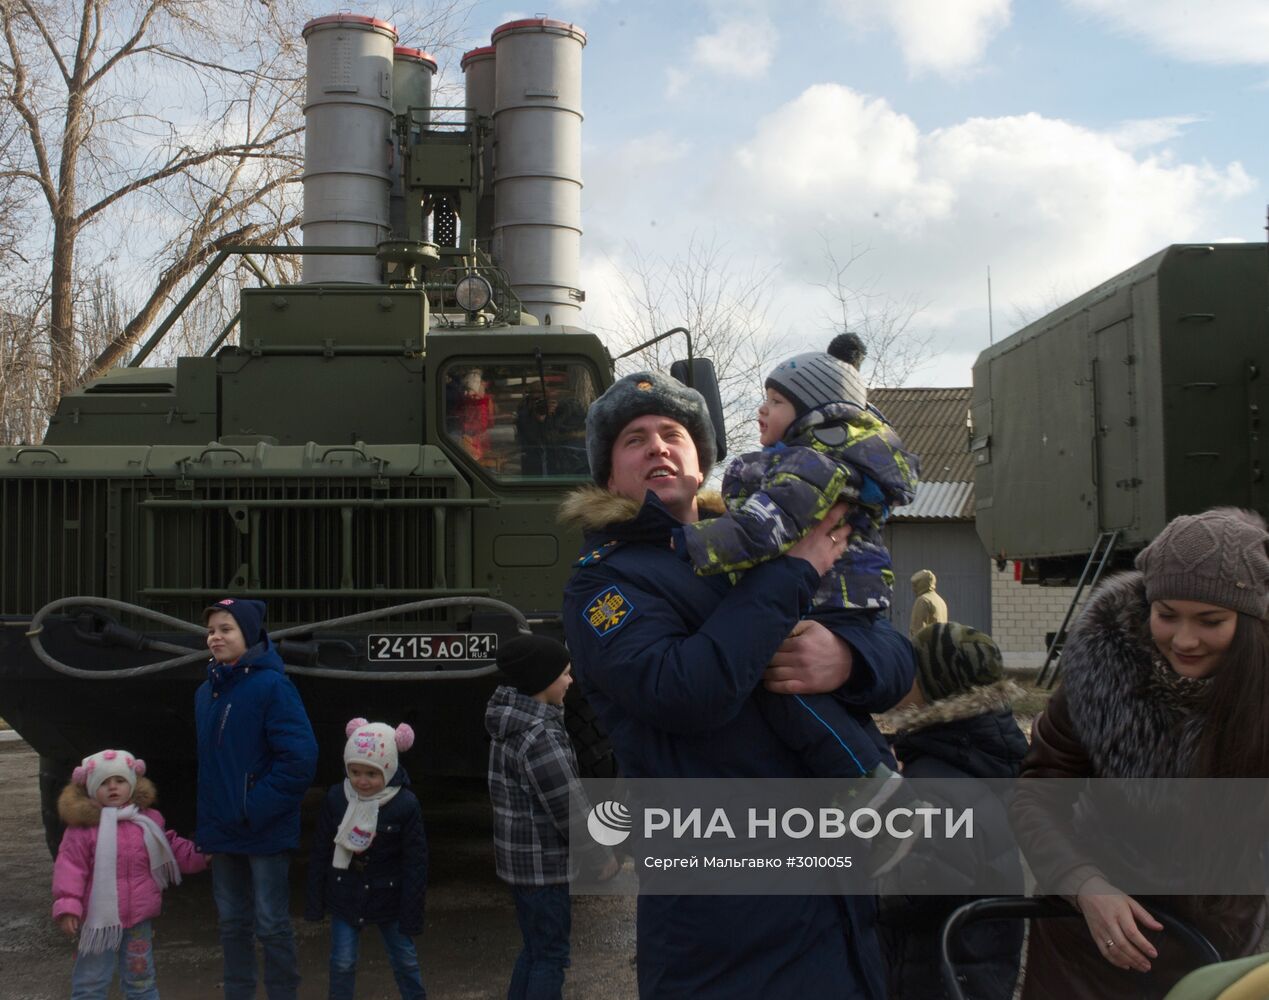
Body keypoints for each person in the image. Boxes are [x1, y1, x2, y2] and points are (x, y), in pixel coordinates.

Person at [560, 370, 917, 999]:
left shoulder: (759, 541)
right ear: (609, 474)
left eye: (673, 434)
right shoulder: (605, 585)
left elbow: (895, 657)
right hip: (725, 919)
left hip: (835, 898)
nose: (658, 447)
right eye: (634, 440)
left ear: (701, 461)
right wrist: (796, 571)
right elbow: (685, 692)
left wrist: (847, 658)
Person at [677, 334, 923, 869]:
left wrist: (691, 545)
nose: (761, 410)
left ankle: (878, 798)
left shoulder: (812, 466)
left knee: (793, 696)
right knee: (811, 698)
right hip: (835, 600)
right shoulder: (816, 458)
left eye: (776, 401)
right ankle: (874, 777)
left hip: (827, 601)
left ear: (815, 411)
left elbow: (762, 532)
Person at [1011, 507, 1269, 999]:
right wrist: (1084, 884)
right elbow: (1036, 797)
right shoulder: (1102, 671)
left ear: (1253, 619)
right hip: (1086, 950)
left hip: (1220, 950)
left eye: (1210, 621)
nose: (1185, 639)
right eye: (1166, 615)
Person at [876, 622, 1029, 999]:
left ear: (934, 684)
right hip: (974, 963)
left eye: (909, 670)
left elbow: (917, 892)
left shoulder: (938, 785)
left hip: (935, 976)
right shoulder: (979, 754)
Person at [195, 597, 318, 1000]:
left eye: (226, 629)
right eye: (212, 630)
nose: (216, 637)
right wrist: (212, 824)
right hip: (223, 831)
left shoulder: (273, 686)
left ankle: (283, 993)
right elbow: (212, 768)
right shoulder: (206, 692)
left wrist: (253, 807)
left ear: (248, 635)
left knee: (271, 923)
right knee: (231, 923)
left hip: (263, 829)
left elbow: (299, 759)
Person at [486, 633, 617, 1000]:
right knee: (551, 957)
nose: (570, 681)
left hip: (519, 865)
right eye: (565, 673)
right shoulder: (540, 735)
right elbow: (570, 808)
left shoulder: (508, 724)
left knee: (534, 950)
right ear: (542, 681)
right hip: (544, 869)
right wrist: (600, 857)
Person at [52, 748, 208, 1000]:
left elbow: (171, 846)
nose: (113, 787)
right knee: (91, 981)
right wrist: (68, 906)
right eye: (104, 782)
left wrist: (201, 855)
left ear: (132, 784)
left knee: (141, 978)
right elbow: (69, 868)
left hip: (138, 919)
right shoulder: (83, 830)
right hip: (97, 922)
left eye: (120, 781)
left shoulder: (146, 821)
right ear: (91, 788)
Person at [306, 718, 428, 1000]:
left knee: (405, 961)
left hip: (391, 897)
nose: (362, 781)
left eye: (372, 774)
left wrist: (412, 914)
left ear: (388, 770)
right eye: (355, 771)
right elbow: (321, 851)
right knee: (342, 962)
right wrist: (315, 902)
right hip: (345, 894)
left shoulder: (405, 805)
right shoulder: (337, 798)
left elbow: (416, 863)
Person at [909, 570, 948, 639]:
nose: (913, 589)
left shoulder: (923, 600)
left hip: (926, 647)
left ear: (923, 584)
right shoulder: (941, 601)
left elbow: (917, 631)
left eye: (915, 585)